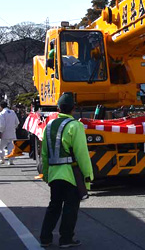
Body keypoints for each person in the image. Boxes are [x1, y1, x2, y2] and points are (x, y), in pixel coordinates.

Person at [39, 92, 93, 248]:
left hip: (55, 175)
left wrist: (47, 174)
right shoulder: (75, 126)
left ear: (58, 108)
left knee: (54, 206)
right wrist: (88, 175)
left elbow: (44, 154)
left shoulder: (48, 126)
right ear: (73, 108)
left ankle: (45, 238)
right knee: (70, 207)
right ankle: (66, 239)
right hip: (70, 175)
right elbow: (81, 153)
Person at [0, 101, 20, 165]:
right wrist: (13, 127)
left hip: (4, 134)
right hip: (12, 133)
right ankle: (10, 161)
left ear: (1, 106)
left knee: (1, 147)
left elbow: (2, 125)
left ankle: (2, 159)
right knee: (11, 147)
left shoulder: (2, 114)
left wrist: (1, 131)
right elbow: (17, 122)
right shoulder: (12, 112)